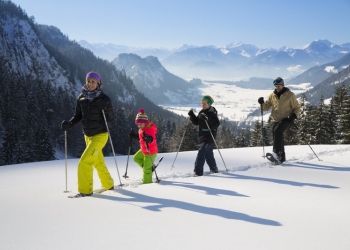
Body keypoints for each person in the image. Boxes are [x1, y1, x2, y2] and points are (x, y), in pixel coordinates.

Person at [61, 72, 114, 197]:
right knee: (97, 162)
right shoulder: (81, 98)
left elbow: (110, 118)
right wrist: (70, 123)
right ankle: (109, 184)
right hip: (88, 136)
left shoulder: (104, 99)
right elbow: (78, 115)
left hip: (100, 136)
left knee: (84, 162)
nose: (90, 84)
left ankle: (85, 191)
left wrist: (105, 108)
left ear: (98, 84)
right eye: (88, 81)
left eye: (93, 82)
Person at [258, 77, 301, 164]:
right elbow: (266, 107)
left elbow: (297, 107)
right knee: (277, 137)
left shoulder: (290, 95)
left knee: (277, 131)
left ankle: (276, 153)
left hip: (286, 119)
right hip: (275, 119)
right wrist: (261, 103)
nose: (277, 87)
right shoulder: (272, 95)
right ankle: (281, 159)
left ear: (283, 85)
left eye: (279, 86)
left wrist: (294, 115)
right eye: (276, 86)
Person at [188, 95, 220, 176]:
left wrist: (207, 119)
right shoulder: (202, 112)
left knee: (201, 153)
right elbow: (197, 122)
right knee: (208, 155)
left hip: (209, 137)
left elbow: (216, 124)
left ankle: (198, 172)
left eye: (205, 103)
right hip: (202, 136)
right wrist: (192, 115)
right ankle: (214, 170)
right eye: (202, 103)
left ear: (209, 104)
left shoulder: (212, 112)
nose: (203, 105)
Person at [128, 108, 158, 184]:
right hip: (144, 150)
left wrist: (149, 139)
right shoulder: (141, 129)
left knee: (146, 170)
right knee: (136, 158)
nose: (139, 125)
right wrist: (134, 136)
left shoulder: (149, 129)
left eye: (140, 124)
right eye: (137, 124)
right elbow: (140, 137)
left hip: (150, 152)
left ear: (145, 122)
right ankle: (149, 168)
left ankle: (147, 184)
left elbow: (152, 139)